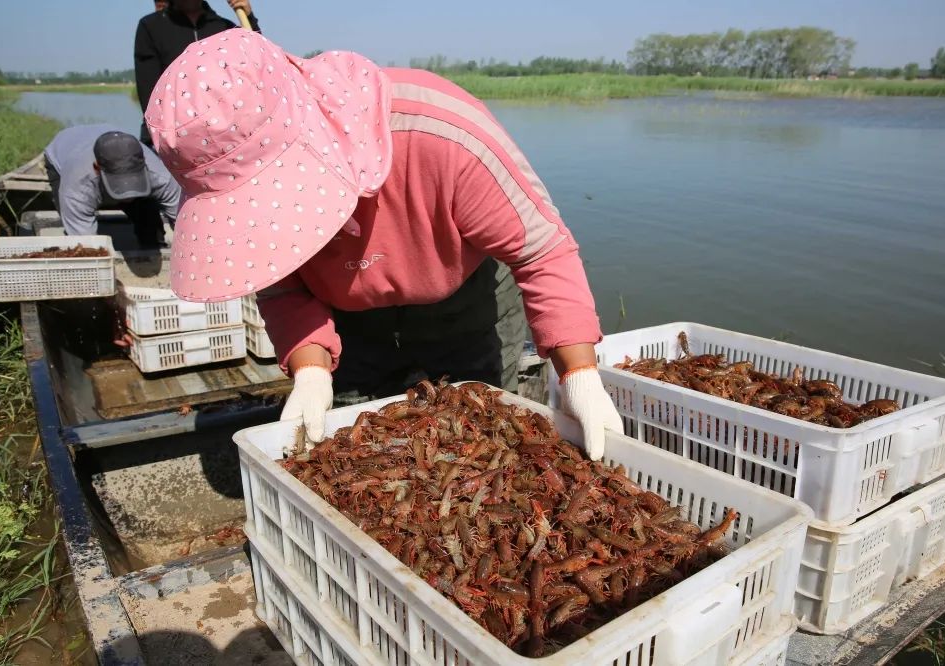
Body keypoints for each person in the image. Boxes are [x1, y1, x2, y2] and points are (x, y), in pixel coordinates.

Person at [144, 31, 624, 461]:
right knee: (358, 449)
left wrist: (578, 374)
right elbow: (280, 284)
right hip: (346, 321)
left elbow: (542, 253)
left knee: (487, 435)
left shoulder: (443, 136)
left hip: (466, 299)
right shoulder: (240, 199)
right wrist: (311, 370)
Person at [134, 0, 261, 146]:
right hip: (170, 141)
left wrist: (249, 17)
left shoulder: (226, 29)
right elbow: (150, 96)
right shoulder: (151, 26)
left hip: (224, 140)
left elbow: (259, 66)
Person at [43, 125, 180, 248]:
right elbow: (84, 244)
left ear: (144, 163)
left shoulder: (162, 177)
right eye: (119, 183)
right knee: (77, 241)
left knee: (149, 217)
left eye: (132, 181)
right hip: (64, 151)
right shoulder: (78, 187)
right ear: (97, 168)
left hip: (103, 143)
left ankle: (150, 247)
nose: (127, 195)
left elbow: (183, 221)